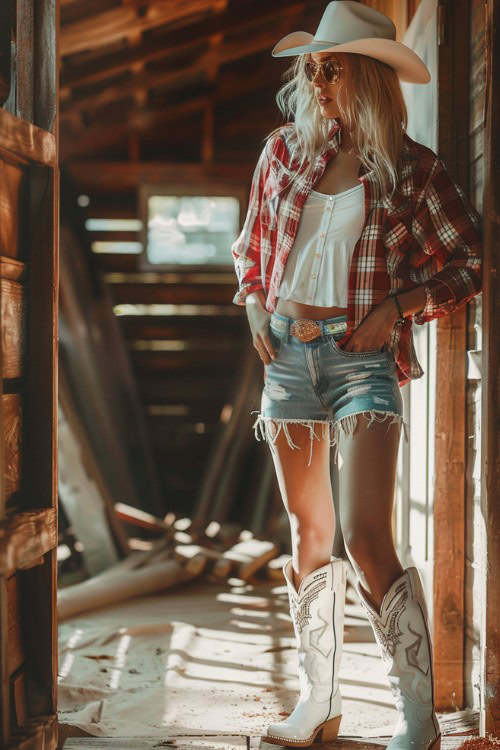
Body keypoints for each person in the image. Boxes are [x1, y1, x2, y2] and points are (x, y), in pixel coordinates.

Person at [230, 2, 482, 748]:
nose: (315, 77)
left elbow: (468, 264)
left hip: (361, 360)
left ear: (366, 73)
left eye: (330, 65)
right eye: (310, 66)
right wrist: (252, 304)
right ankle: (321, 705)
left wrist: (400, 305)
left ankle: (417, 716)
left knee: (368, 533)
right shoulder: (282, 152)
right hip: (286, 355)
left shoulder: (414, 168)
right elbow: (250, 249)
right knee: (310, 531)